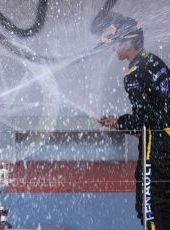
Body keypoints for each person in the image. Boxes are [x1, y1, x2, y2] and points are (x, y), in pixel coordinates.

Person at [97, 15, 170, 229]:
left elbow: (144, 120)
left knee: (150, 207)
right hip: (165, 140)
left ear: (128, 42)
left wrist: (118, 122)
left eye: (116, 42)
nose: (113, 48)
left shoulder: (134, 73)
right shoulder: (154, 61)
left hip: (156, 148)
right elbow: (158, 108)